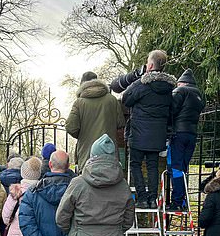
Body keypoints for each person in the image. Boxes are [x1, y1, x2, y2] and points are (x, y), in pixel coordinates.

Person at [111, 50, 176, 208]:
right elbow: (171, 111)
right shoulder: (168, 89)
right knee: (153, 166)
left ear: (151, 65)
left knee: (135, 165)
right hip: (158, 136)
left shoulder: (142, 84)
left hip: (139, 134)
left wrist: (137, 79)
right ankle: (153, 199)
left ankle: (141, 198)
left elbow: (126, 99)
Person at [66, 71, 125, 172]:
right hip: (109, 153)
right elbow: (121, 123)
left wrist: (83, 135)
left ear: (82, 85)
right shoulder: (112, 100)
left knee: (88, 182)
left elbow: (71, 127)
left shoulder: (79, 103)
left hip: (86, 154)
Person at [167, 68, 205, 212]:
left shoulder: (181, 91)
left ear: (181, 83)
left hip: (178, 133)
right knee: (183, 168)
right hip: (192, 134)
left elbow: (172, 110)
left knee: (174, 167)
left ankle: (177, 201)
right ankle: (182, 199)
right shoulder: (199, 95)